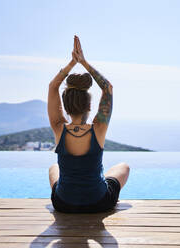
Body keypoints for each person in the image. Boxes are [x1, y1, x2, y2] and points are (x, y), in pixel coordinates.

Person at [47, 35, 130, 213]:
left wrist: (72, 63)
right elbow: (107, 87)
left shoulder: (58, 128)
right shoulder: (98, 129)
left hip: (64, 203)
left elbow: (53, 87)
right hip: (98, 202)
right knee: (123, 167)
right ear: (90, 106)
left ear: (66, 107)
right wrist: (83, 62)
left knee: (54, 168)